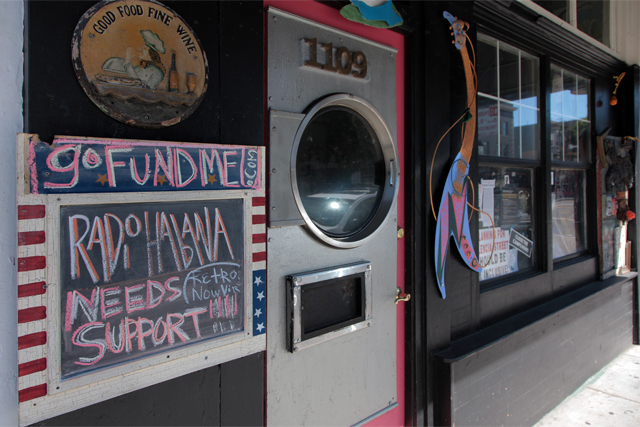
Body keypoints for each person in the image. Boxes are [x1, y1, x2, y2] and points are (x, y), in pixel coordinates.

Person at [101, 30, 166, 90]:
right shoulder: (140, 67)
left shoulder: (155, 70)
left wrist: (127, 61)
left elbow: (138, 83)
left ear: (151, 54)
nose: (140, 49)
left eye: (144, 48)